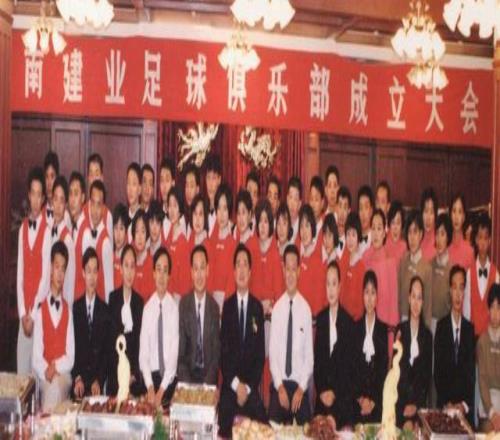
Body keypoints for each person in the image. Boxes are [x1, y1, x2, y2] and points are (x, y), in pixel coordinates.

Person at [218, 244, 267, 437]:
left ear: (250, 271)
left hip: (250, 389)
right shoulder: (227, 307)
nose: (241, 270)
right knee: (224, 431)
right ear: (233, 271)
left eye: (245, 264)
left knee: (263, 430)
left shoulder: (257, 308)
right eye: (238, 264)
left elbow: (260, 356)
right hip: (231, 387)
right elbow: (224, 355)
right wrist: (236, 385)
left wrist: (246, 388)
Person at [269, 244, 313, 425]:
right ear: (283, 270)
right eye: (287, 269)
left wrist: (301, 389)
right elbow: (273, 355)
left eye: (294, 269)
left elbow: (309, 358)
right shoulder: (277, 310)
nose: (290, 274)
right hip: (280, 385)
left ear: (299, 271)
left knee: (306, 431)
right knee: (271, 428)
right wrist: (279, 387)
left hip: (298, 387)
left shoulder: (306, 310)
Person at [32, 241, 74, 412]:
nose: (60, 274)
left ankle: (45, 422)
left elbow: (70, 357)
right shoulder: (40, 311)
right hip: (44, 377)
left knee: (57, 386)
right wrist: (47, 371)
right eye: (57, 267)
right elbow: (36, 356)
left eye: (63, 269)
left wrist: (55, 367)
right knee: (52, 388)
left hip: (63, 374)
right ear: (50, 268)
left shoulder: (68, 311)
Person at [17, 167, 51, 374]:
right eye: (33, 194)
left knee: (36, 376)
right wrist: (23, 314)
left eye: (40, 195)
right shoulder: (22, 228)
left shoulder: (47, 232)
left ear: (43, 199)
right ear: (29, 195)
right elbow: (20, 275)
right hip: (25, 318)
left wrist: (32, 314)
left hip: (38, 314)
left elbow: (45, 279)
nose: (36, 200)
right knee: (21, 373)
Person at [434, 265, 475, 427]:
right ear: (450, 290)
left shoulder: (470, 330)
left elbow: (471, 376)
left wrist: (463, 405)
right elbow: (438, 373)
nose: (458, 294)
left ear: (465, 291)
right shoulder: (441, 327)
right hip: (445, 406)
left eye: (461, 288)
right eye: (455, 287)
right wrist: (448, 403)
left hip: (464, 410)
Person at [314, 261, 354, 429]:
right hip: (322, 397)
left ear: (340, 286)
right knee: (317, 428)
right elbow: (317, 364)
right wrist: (323, 392)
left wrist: (334, 394)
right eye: (328, 284)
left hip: (341, 400)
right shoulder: (321, 319)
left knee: (332, 426)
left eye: (334, 283)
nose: (330, 289)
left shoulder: (348, 322)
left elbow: (348, 371)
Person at [139, 247, 179, 407]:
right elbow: (143, 354)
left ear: (169, 275)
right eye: (158, 269)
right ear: (153, 273)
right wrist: (150, 387)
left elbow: (173, 356)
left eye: (165, 271)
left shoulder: (174, 309)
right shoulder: (147, 309)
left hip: (169, 381)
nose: (161, 276)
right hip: (150, 378)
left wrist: (161, 390)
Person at [178, 245, 220, 385]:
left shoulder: (214, 308)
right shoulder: (184, 305)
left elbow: (215, 357)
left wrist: (205, 387)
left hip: (208, 379)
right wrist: (190, 387)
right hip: (187, 378)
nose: (199, 275)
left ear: (208, 270)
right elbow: (181, 354)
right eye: (196, 269)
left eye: (202, 268)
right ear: (191, 272)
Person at [72, 248, 111, 399]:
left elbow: (106, 353)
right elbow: (72, 348)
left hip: (97, 383)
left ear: (98, 274)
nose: (92, 277)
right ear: (83, 273)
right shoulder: (75, 308)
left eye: (95, 271)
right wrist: (77, 378)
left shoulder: (105, 310)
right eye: (89, 271)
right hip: (79, 383)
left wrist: (99, 380)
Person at [396, 276, 432, 429]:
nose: (416, 303)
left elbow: (426, 378)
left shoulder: (428, 336)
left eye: (419, 298)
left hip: (419, 407)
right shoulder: (400, 331)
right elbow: (396, 373)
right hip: (400, 406)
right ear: (408, 298)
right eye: (413, 296)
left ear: (423, 302)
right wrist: (404, 406)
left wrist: (415, 405)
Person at [108, 244, 144, 397]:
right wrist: (121, 377)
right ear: (120, 269)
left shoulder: (139, 302)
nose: (129, 272)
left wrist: (133, 374)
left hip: (133, 378)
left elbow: (139, 344)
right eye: (126, 266)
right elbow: (111, 344)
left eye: (132, 266)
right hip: (116, 375)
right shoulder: (113, 299)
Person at [353, 270, 388, 424]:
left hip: (376, 404)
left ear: (377, 296)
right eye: (366, 292)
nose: (369, 298)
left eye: (373, 293)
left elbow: (382, 370)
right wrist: (361, 400)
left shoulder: (382, 329)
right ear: (362, 295)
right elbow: (352, 369)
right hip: (357, 404)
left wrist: (372, 402)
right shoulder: (355, 328)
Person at [464, 213, 500, 337]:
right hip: (472, 336)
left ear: (490, 240)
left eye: (485, 238)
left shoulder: (496, 275)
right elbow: (466, 310)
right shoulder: (469, 273)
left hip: (490, 337)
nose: (483, 242)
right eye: (480, 237)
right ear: (475, 240)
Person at [363, 209, 399, 331]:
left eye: (379, 228)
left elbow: (393, 302)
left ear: (384, 232)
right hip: (367, 322)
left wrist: (391, 329)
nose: (375, 233)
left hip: (384, 326)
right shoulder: (365, 257)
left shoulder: (391, 261)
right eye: (373, 228)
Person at [398, 210, 433, 327]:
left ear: (421, 234)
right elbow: (399, 299)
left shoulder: (427, 268)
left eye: (415, 232)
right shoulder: (403, 263)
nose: (412, 237)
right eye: (409, 232)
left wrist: (426, 332)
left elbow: (427, 308)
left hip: (420, 324)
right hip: (403, 322)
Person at [82, 180, 114, 302]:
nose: (95, 210)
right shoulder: (86, 234)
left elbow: (109, 284)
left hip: (101, 304)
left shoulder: (106, 243)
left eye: (99, 205)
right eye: (93, 204)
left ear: (104, 208)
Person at [207, 183, 236, 309]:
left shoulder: (233, 244)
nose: (222, 214)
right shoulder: (210, 241)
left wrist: (225, 306)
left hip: (226, 304)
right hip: (209, 302)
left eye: (225, 208)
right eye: (218, 208)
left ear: (230, 211)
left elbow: (231, 282)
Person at [476, 283, 500, 433]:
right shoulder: (482, 341)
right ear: (488, 310)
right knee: (491, 432)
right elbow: (483, 380)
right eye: (492, 307)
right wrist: (492, 414)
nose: (495, 313)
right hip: (487, 408)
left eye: (499, 308)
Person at [50, 176, 75, 306]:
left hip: (61, 306)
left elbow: (70, 283)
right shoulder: (47, 232)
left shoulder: (68, 240)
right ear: (51, 201)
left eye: (62, 200)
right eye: (55, 199)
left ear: (66, 204)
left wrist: (67, 312)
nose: (58, 206)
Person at [297, 204, 325, 317]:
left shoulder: (317, 260)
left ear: (313, 228)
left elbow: (318, 304)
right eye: (301, 226)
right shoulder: (299, 257)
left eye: (307, 226)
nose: (304, 231)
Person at [339, 212, 366, 321]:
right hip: (341, 318)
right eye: (348, 234)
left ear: (359, 237)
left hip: (354, 322)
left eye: (353, 235)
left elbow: (360, 306)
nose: (350, 239)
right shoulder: (343, 261)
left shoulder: (361, 266)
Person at [164, 186, 190, 297]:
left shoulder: (182, 241)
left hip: (176, 298)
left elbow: (184, 282)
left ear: (180, 208)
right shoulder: (168, 237)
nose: (172, 210)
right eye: (169, 205)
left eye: (175, 205)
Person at [68, 171, 89, 300]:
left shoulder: (86, 233)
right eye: (70, 194)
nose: (72, 200)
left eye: (76, 194)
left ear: (82, 198)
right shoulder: (71, 228)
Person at [84, 153, 113, 242]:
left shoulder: (108, 216)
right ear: (88, 178)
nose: (94, 179)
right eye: (91, 174)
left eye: (96, 174)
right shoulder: (82, 212)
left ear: (102, 178)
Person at [431, 213, 453, 330]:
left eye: (443, 234)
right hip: (428, 324)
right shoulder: (429, 266)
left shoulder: (452, 270)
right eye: (437, 234)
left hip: (445, 326)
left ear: (448, 237)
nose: (439, 239)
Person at [131, 210, 155, 301]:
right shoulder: (129, 261)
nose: (140, 237)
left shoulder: (152, 263)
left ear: (147, 234)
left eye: (143, 231)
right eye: (137, 231)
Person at [448, 194, 474, 272]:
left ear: (464, 217)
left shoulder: (469, 250)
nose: (456, 217)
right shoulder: (444, 246)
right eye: (454, 211)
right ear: (450, 215)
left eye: (460, 212)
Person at [384, 200, 406, 269]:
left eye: (398, 223)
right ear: (389, 224)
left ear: (402, 224)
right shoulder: (383, 242)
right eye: (393, 222)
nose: (395, 227)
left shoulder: (405, 246)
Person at [204, 153, 221, 237]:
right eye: (208, 177)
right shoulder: (202, 211)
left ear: (219, 180)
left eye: (214, 178)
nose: (210, 184)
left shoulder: (223, 214)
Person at [112, 203, 129, 289]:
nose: (118, 234)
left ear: (126, 231)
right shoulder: (109, 255)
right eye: (115, 228)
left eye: (121, 228)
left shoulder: (128, 259)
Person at [420, 187, 438, 262]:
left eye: (431, 212)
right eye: (426, 211)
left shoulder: (439, 238)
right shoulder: (415, 236)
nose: (428, 217)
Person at [126, 162, 142, 239]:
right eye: (128, 183)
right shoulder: (123, 217)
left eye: (134, 184)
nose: (130, 189)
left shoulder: (144, 219)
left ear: (139, 189)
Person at [357, 185, 374, 257]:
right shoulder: (354, 236)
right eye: (361, 208)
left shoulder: (375, 238)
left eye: (366, 207)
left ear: (371, 210)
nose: (363, 213)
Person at [336, 186, 351, 261]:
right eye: (340, 206)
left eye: (345, 207)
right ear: (336, 207)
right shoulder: (328, 233)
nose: (342, 212)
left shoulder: (351, 240)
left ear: (349, 211)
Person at [286, 176, 303, 244]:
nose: (292, 203)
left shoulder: (303, 228)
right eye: (290, 197)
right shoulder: (280, 226)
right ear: (287, 199)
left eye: (295, 199)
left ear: (300, 204)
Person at [309, 176, 326, 240]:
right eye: (311, 199)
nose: (313, 204)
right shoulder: (305, 225)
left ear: (322, 203)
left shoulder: (326, 225)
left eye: (316, 199)